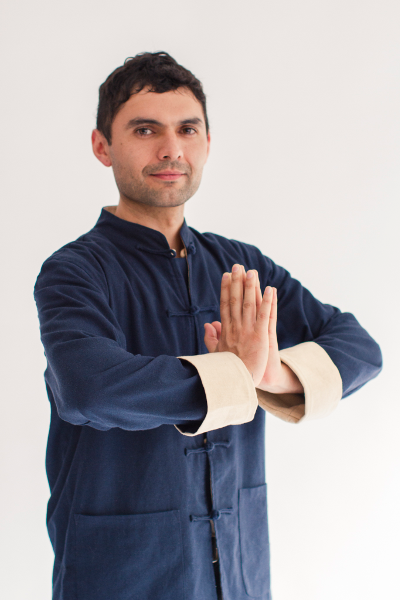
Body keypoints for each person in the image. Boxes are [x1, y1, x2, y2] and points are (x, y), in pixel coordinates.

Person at [33, 51, 382, 600]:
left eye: (187, 129)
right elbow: (88, 387)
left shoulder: (241, 265)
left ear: (207, 143)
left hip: (240, 573)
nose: (171, 149)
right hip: (122, 575)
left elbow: (359, 348)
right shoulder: (75, 270)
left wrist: (270, 373)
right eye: (145, 130)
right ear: (102, 146)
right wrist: (233, 376)